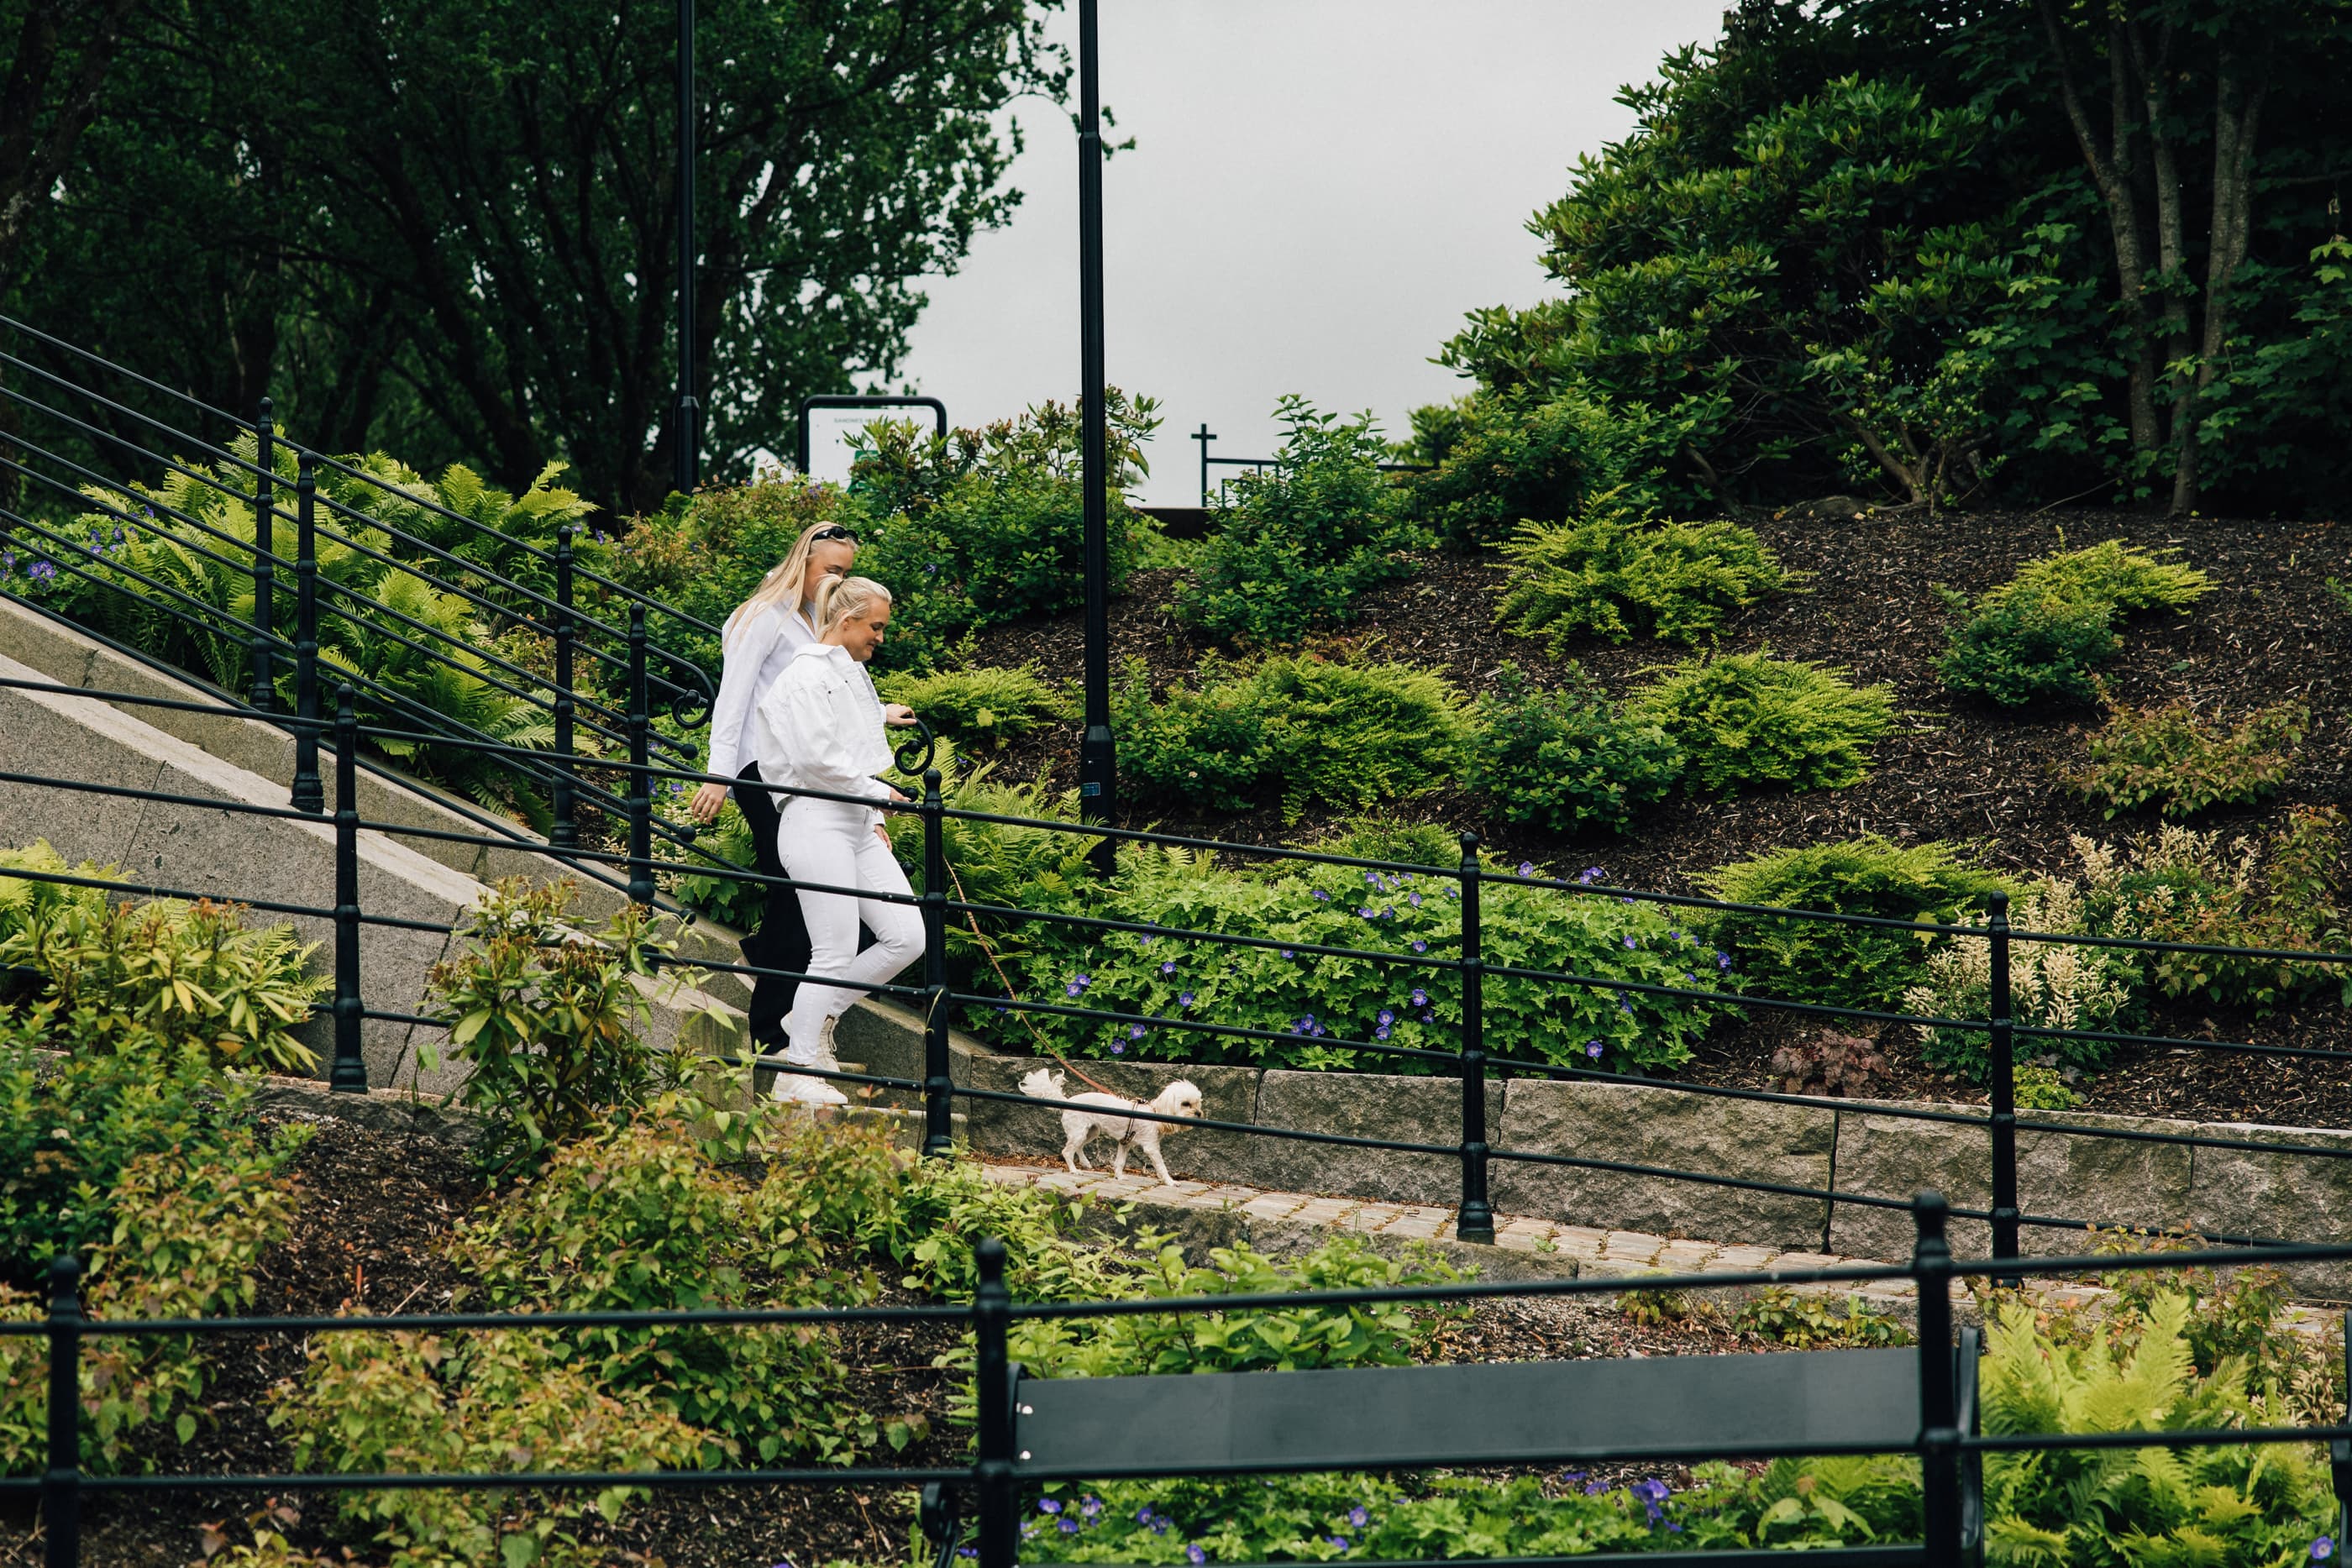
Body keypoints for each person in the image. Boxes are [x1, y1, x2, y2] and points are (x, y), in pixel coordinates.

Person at [689, 522, 860, 1054]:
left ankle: (765, 966)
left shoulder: (816, 621)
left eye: (846, 573)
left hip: (799, 774)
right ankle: (771, 1030)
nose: (837, 581)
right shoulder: (762, 617)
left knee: (808, 892)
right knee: (794, 891)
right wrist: (718, 776)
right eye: (831, 570)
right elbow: (733, 698)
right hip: (759, 772)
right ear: (802, 563)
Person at [752, 574, 921, 1105]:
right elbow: (814, 760)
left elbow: (859, 742)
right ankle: (796, 1072)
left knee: (906, 936)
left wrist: (874, 814)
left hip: (856, 820)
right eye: (875, 626)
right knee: (833, 949)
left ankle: (813, 1013)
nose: (880, 637)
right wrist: (880, 793)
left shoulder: (852, 675)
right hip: (815, 819)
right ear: (847, 622)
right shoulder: (802, 676)